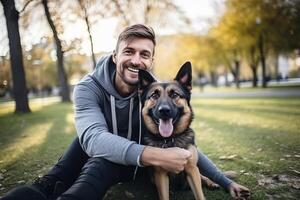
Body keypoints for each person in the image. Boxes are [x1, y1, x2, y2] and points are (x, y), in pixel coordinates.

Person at [1, 24, 250, 200]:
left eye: (144, 54)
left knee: (99, 166)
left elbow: (184, 147)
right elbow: (92, 138)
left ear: (150, 62)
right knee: (84, 151)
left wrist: (224, 181)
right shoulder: (88, 88)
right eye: (129, 51)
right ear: (114, 55)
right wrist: (153, 155)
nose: (136, 60)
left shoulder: (152, 93)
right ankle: (45, 186)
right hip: (107, 150)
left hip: (122, 164)